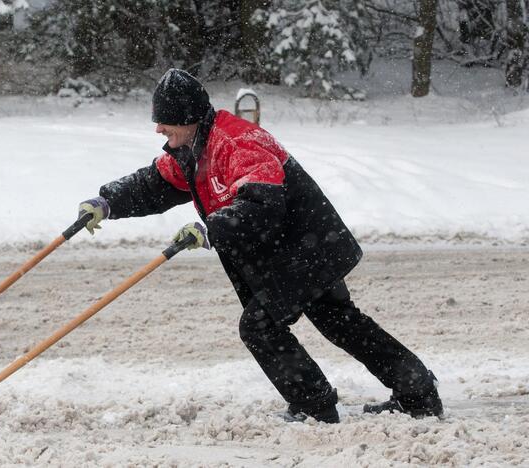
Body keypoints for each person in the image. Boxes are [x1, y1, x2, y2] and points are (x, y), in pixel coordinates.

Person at [77, 68, 443, 423]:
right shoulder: (193, 146)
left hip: (303, 247)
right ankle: (418, 393)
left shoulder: (238, 142)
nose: (158, 128)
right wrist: (108, 203)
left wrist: (211, 228)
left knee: (260, 327)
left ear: (188, 116)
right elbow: (155, 183)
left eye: (165, 120)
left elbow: (262, 205)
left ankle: (315, 406)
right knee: (339, 321)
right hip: (294, 248)